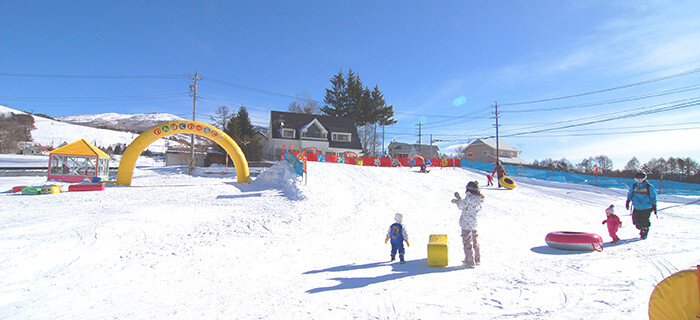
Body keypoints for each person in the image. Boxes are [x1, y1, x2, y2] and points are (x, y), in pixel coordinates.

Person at [452, 181, 484, 268]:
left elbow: (461, 206)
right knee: (475, 241)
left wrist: (458, 200)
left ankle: (470, 261)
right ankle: (477, 259)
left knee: (467, 242)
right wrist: (459, 200)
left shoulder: (469, 198)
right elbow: (468, 206)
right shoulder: (479, 198)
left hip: (466, 223)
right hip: (474, 223)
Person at [626, 172, 658, 240]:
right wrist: (628, 201)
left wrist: (654, 205)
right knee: (636, 221)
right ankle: (641, 228)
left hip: (646, 207)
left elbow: (653, 196)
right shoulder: (634, 186)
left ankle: (644, 231)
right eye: (637, 180)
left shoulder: (649, 186)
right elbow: (630, 193)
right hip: (637, 206)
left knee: (644, 221)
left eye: (640, 180)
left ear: (644, 179)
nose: (638, 181)